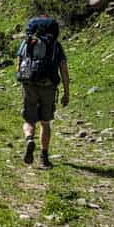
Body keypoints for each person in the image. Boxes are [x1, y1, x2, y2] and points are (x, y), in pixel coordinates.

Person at [16, 15, 69, 169]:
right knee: (45, 123)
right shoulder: (55, 45)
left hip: (29, 84)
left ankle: (29, 140)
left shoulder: (27, 43)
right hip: (49, 85)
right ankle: (44, 157)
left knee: (29, 120)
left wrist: (22, 80)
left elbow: (19, 63)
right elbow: (64, 70)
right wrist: (66, 92)